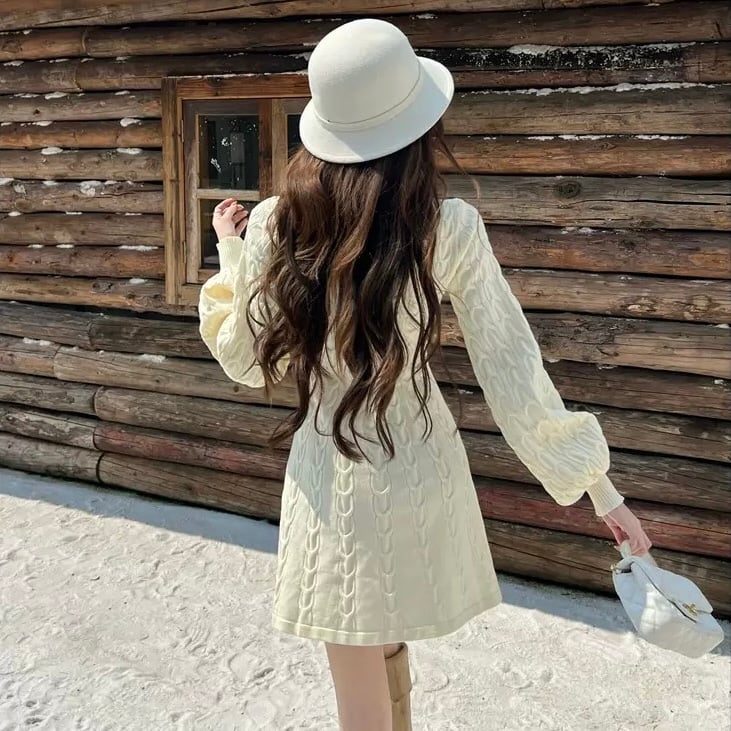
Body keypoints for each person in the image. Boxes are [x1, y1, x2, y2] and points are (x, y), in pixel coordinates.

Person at [197, 18, 652, 731]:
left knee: (358, 678)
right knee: (384, 649)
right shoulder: (448, 225)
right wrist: (599, 488)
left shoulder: (278, 221)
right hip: (419, 468)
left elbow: (246, 361)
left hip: (331, 478)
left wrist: (231, 253)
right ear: (417, 126)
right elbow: (512, 366)